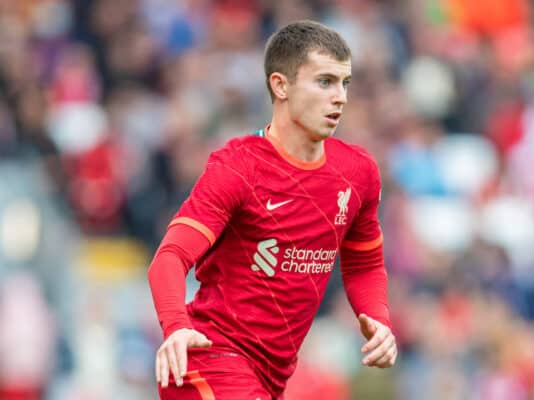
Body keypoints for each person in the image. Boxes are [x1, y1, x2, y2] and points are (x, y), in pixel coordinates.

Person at [148, 20, 397, 399]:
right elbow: (169, 258)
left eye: (345, 83)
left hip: (269, 379)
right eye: (325, 81)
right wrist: (176, 327)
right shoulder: (238, 167)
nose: (341, 97)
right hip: (207, 360)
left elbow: (364, 264)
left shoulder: (358, 173)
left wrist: (378, 319)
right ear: (281, 85)